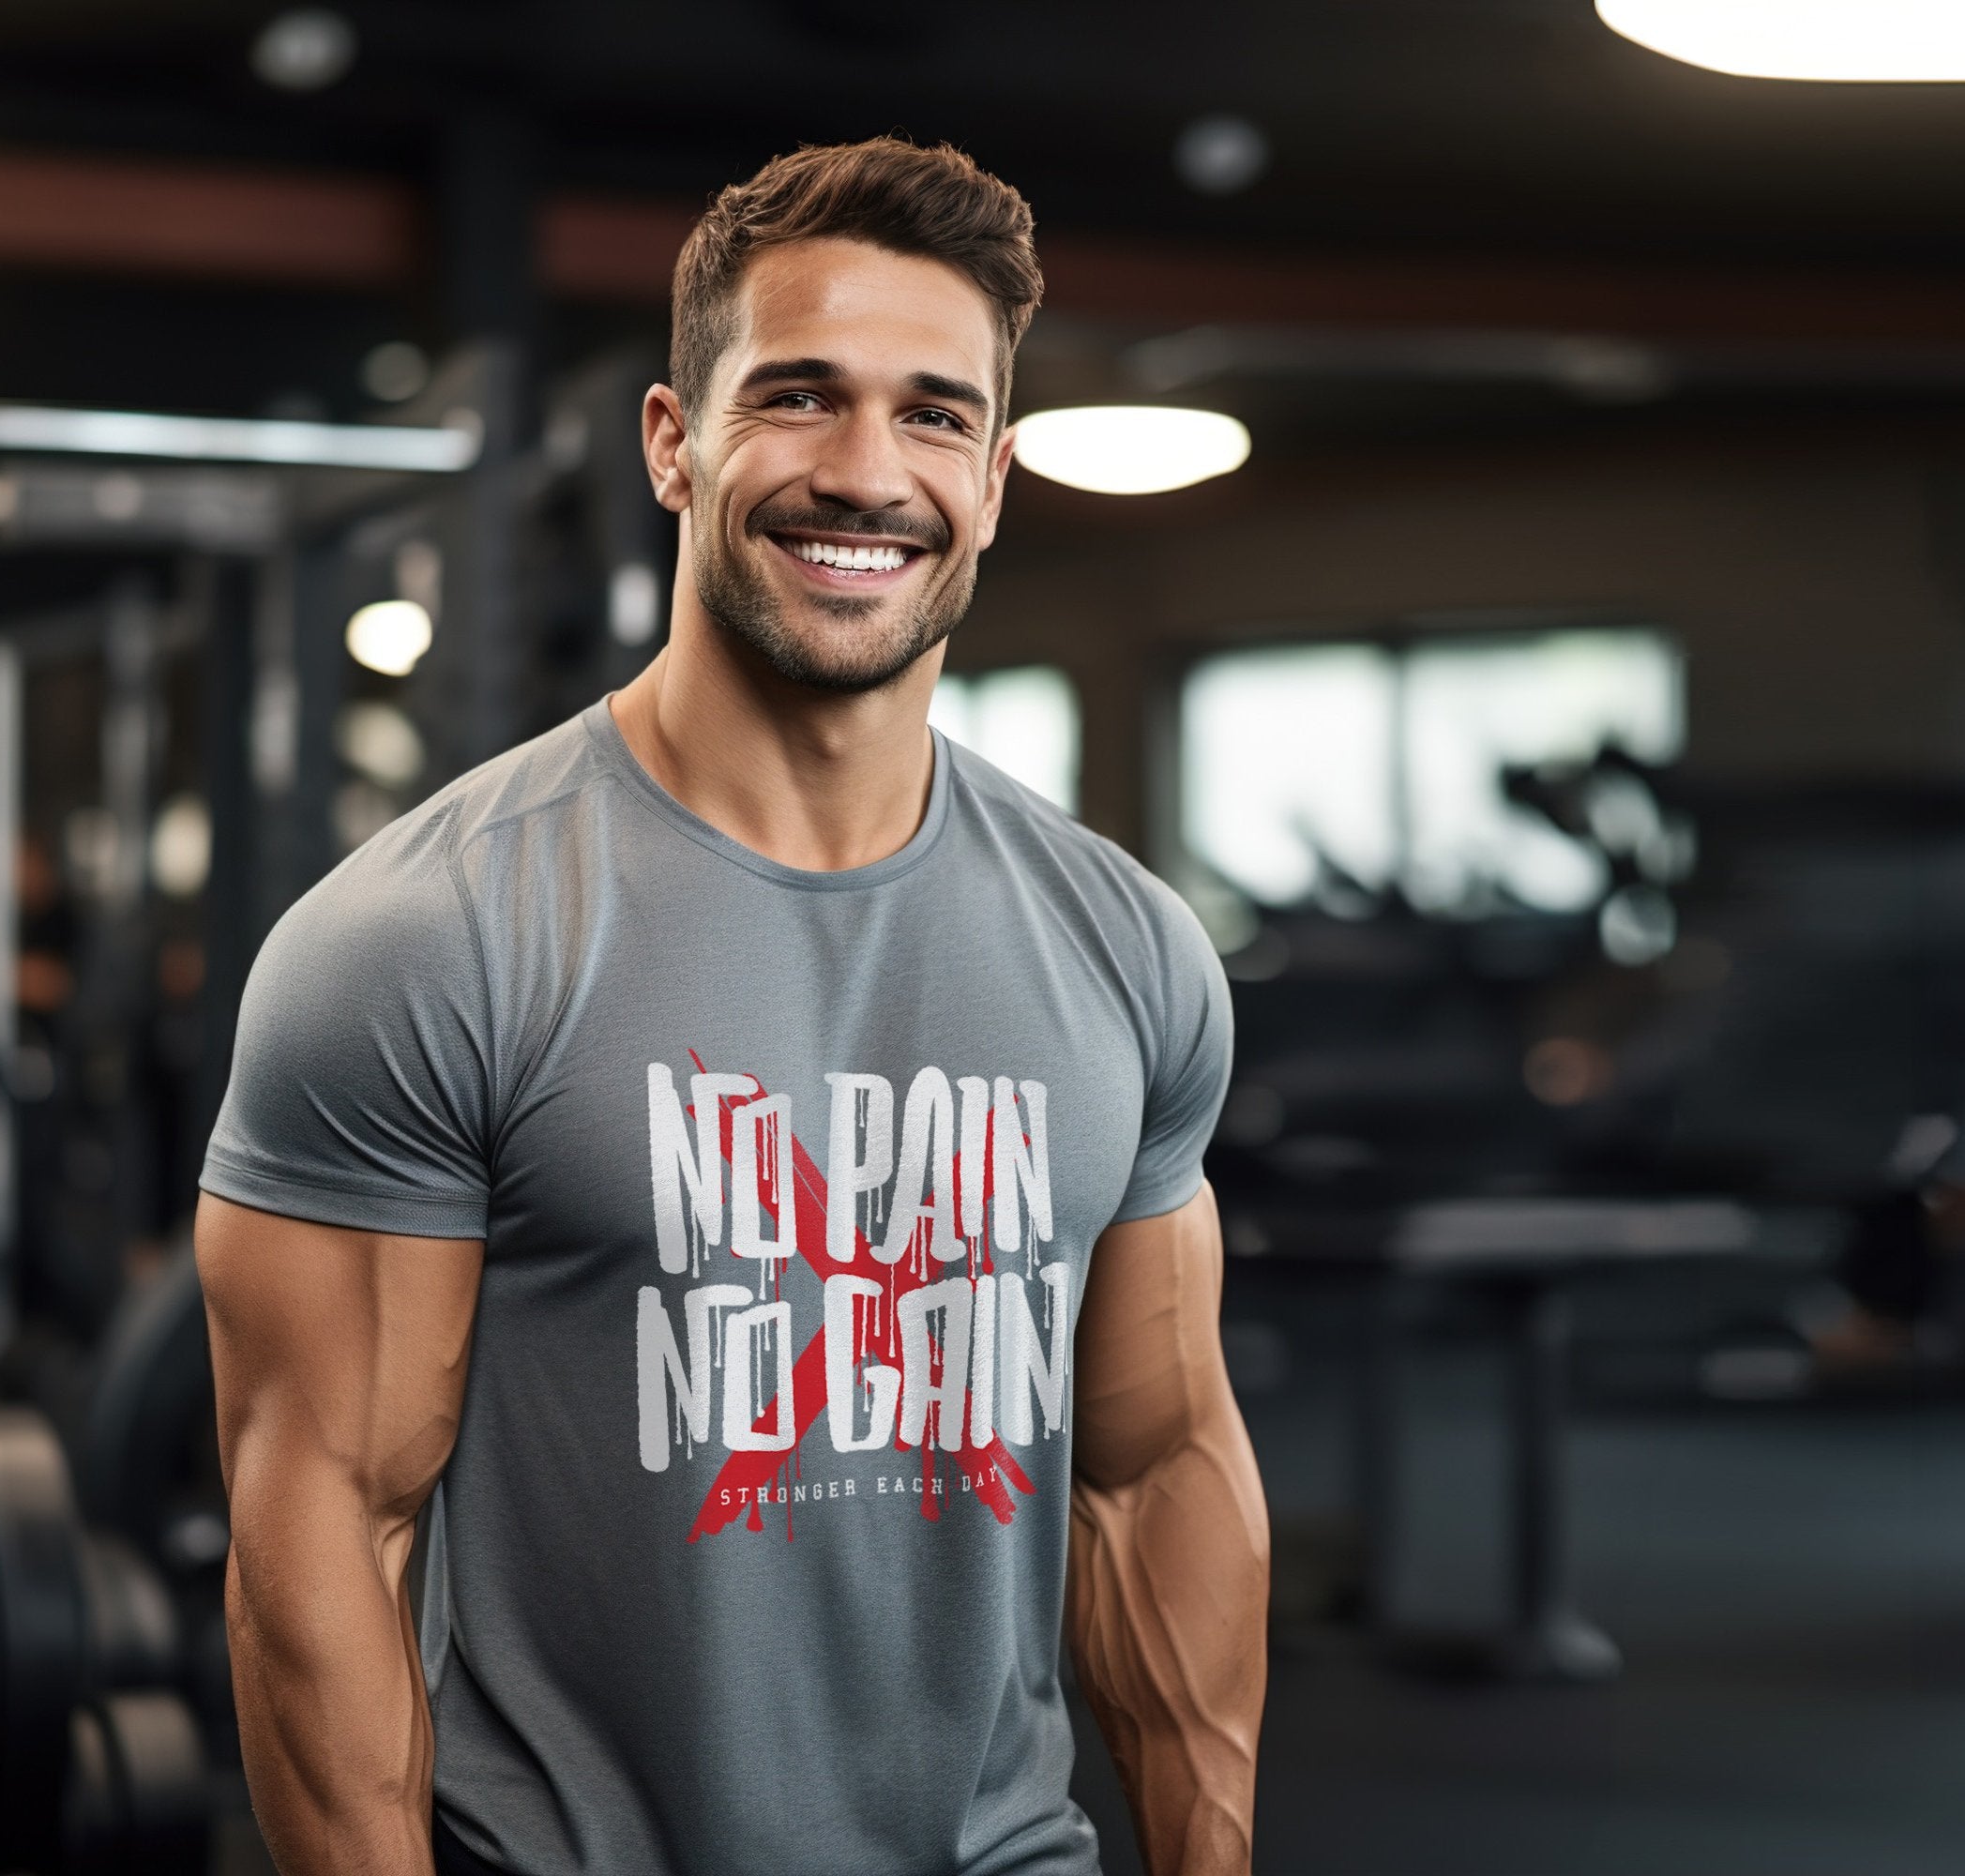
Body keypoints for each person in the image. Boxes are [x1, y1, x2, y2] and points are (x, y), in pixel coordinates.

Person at [196, 140, 1268, 1876]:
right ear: (673, 441)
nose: (868, 473)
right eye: (799, 397)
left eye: (933, 417)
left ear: (993, 481)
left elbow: (1154, 1477)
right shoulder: (424, 937)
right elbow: (323, 1525)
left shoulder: (1127, 946)